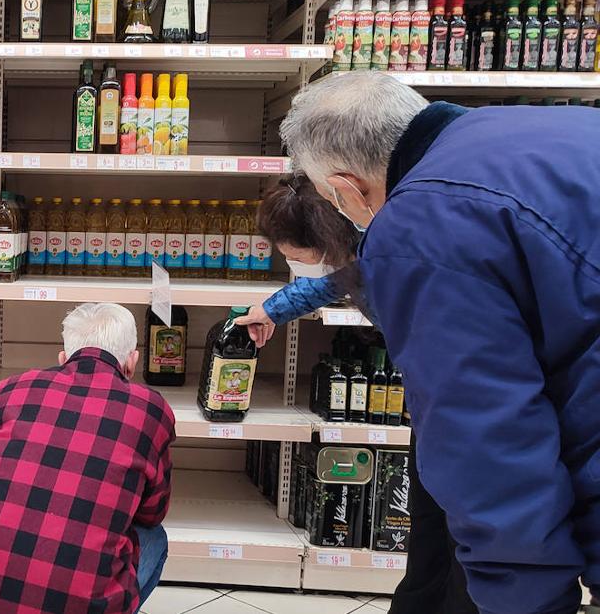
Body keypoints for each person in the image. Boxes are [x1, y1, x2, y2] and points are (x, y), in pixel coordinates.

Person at [280, 71, 600, 614]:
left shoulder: (418, 223)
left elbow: (487, 440)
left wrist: (529, 601)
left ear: (346, 188)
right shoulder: (548, 130)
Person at [236, 174, 478, 614]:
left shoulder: (398, 253)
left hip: (468, 403)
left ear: (326, 238)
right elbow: (329, 279)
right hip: (431, 401)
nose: (289, 261)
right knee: (427, 523)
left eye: (292, 254)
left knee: (465, 534)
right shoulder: (354, 250)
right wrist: (270, 309)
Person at [0, 302, 176, 614]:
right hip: (79, 601)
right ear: (130, 363)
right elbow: (152, 513)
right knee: (153, 538)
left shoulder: (10, 389)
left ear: (63, 358)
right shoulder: (151, 409)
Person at [232, 174, 360, 348]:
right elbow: (331, 282)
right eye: (286, 256)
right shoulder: (352, 259)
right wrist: (270, 310)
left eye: (297, 257)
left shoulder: (384, 254)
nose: (291, 263)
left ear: (329, 242)